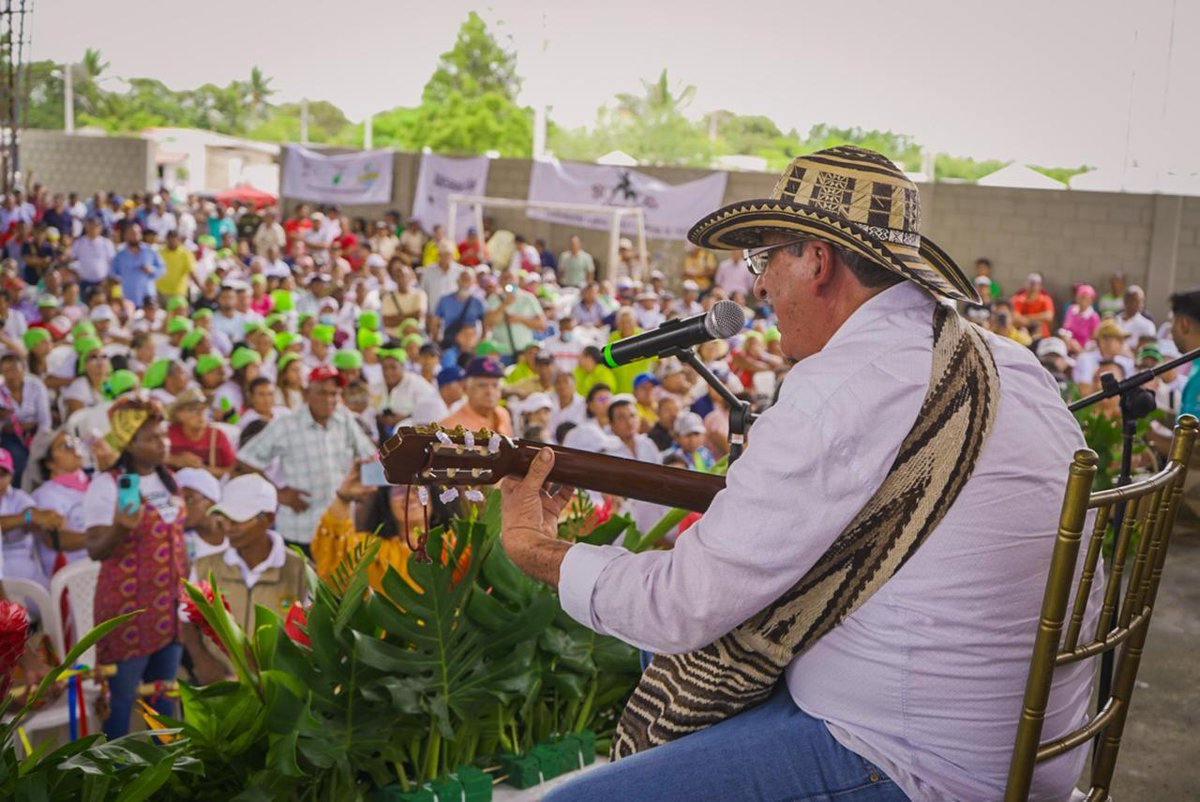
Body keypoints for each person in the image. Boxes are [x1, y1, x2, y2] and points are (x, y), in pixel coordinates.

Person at [500, 147, 1097, 802]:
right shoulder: (1005, 361)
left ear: (817, 259)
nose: (758, 287)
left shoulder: (841, 388)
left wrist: (537, 547)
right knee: (676, 664)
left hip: (917, 761)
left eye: (765, 259)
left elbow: (679, 606)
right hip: (1027, 745)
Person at [83, 397, 187, 739]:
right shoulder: (107, 485)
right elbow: (95, 549)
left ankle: (165, 777)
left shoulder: (169, 479)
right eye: (152, 438)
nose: (164, 443)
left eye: (164, 435)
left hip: (167, 612)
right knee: (122, 703)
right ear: (129, 444)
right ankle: (115, 781)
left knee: (163, 703)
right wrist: (120, 528)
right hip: (127, 614)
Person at [236, 365, 376, 551]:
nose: (329, 399)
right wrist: (279, 494)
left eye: (334, 394)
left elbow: (370, 456)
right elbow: (246, 460)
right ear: (308, 393)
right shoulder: (287, 424)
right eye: (322, 393)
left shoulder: (344, 419)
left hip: (339, 527)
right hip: (300, 529)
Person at [184, 473, 305, 684]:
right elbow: (185, 620)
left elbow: (310, 635)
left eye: (238, 519)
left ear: (269, 518)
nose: (228, 527)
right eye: (224, 517)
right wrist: (202, 660)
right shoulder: (205, 566)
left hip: (279, 688)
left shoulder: (299, 571)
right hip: (222, 682)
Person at [28, 430, 90, 579]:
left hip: (100, 562)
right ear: (49, 463)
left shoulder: (95, 482)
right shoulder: (45, 495)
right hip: (74, 574)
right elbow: (54, 539)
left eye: (74, 442)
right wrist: (104, 537)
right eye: (64, 445)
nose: (73, 448)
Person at [165, 387, 236, 479]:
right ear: (179, 414)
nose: (200, 414)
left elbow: (233, 470)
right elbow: (146, 458)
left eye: (203, 409)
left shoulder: (217, 436)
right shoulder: (168, 434)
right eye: (193, 410)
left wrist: (202, 468)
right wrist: (176, 460)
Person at [439, 356, 514, 436]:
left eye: (495, 385)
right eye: (482, 385)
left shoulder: (503, 414)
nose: (490, 392)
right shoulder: (450, 428)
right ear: (466, 388)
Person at [109, 222, 164, 308]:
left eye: (137, 233)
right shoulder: (120, 255)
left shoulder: (150, 251)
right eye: (131, 233)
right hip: (128, 298)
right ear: (125, 235)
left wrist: (151, 269)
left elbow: (162, 269)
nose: (135, 236)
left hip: (148, 297)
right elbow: (112, 273)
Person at [1010, 272, 1055, 339]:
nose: (1033, 286)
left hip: (1041, 336)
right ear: (1025, 284)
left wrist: (1025, 317)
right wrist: (1037, 321)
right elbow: (1015, 319)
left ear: (1041, 286)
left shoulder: (1046, 300)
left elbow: (1048, 317)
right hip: (1020, 335)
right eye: (1031, 282)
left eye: (1036, 283)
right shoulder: (1016, 299)